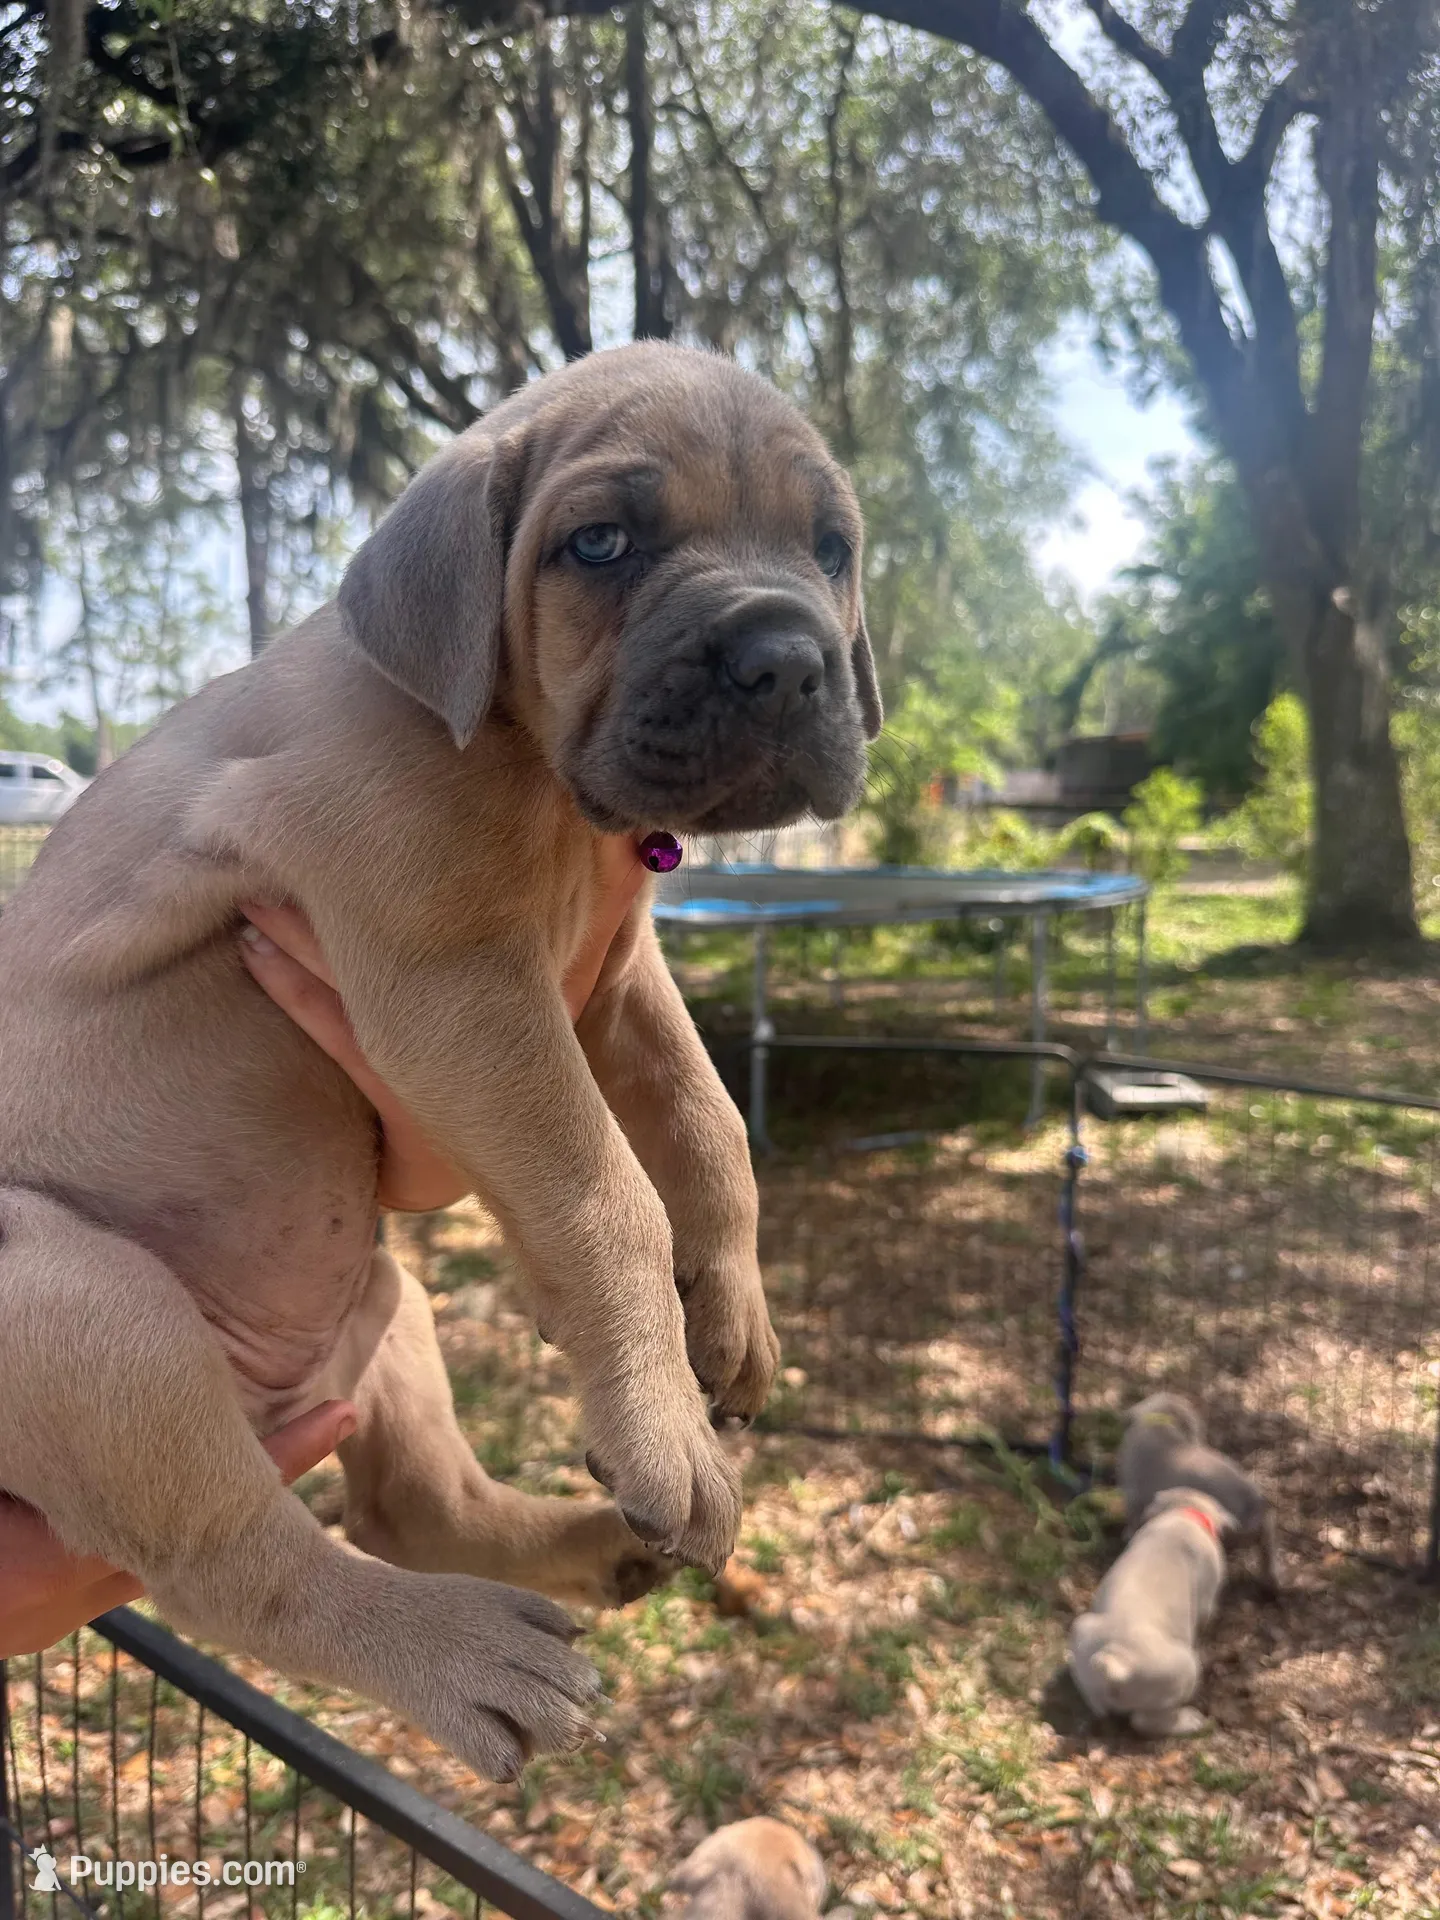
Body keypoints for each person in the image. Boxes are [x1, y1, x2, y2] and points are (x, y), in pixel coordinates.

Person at [0, 836, 650, 1658]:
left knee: (382, 1295)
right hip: (92, 1363)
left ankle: (441, 1512)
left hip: (261, 1283)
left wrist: (432, 1137)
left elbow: (409, 1174)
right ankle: (373, 1565)